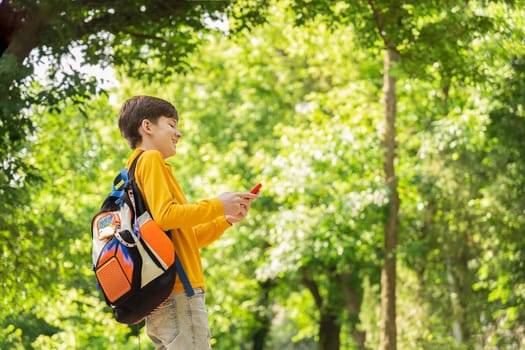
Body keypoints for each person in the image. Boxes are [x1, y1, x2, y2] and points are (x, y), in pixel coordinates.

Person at [118, 95, 258, 349]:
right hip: (180, 294)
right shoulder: (150, 160)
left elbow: (184, 239)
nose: (178, 133)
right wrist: (217, 203)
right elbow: (166, 216)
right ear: (147, 126)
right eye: (171, 124)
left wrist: (224, 219)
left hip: (166, 296)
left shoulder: (136, 169)